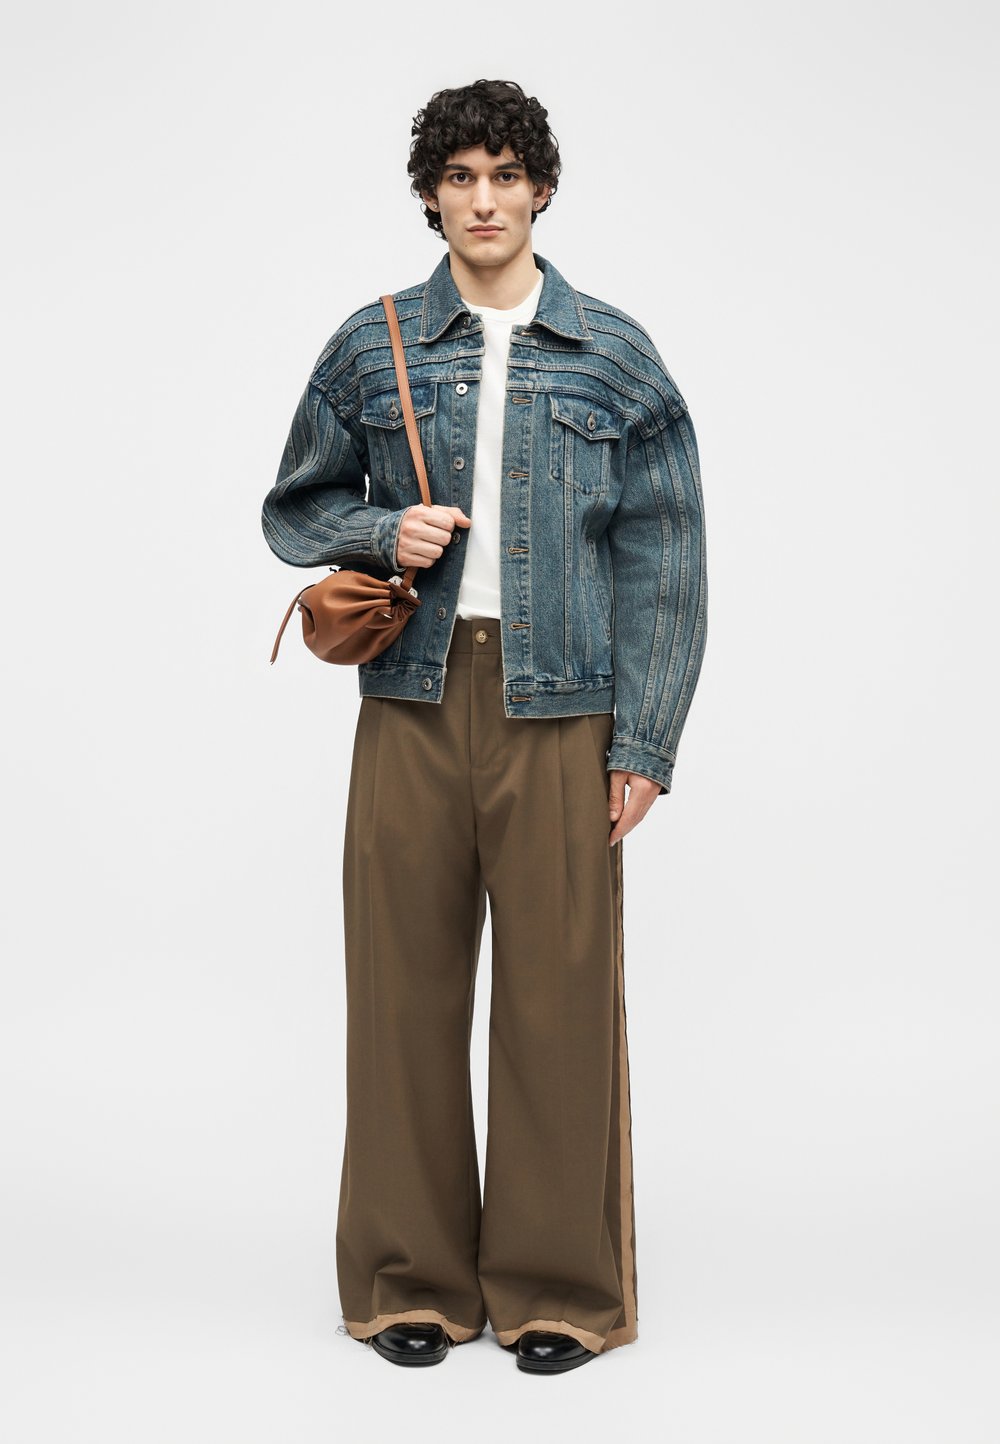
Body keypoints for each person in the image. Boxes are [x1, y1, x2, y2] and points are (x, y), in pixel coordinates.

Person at [261, 78, 708, 1374]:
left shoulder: (614, 355)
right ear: (430, 196)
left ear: (542, 189)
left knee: (560, 999)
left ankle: (559, 1290)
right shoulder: (375, 344)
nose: (484, 199)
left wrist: (646, 740)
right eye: (459, 177)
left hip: (564, 706)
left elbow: (666, 556)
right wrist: (378, 528)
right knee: (400, 990)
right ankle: (410, 1281)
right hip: (411, 704)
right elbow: (294, 507)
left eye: (505, 175)